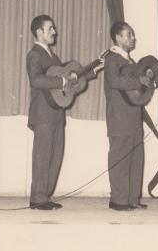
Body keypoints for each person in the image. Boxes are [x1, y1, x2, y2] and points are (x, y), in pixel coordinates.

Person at [26, 14, 102, 210]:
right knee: (43, 156)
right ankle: (37, 198)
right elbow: (36, 80)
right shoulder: (34, 54)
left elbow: (69, 83)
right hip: (43, 114)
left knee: (55, 156)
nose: (54, 32)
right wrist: (61, 81)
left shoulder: (54, 57)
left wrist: (91, 72)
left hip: (56, 113)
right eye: (50, 28)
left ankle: (45, 196)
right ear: (39, 32)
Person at [103, 22, 154, 211]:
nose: (133, 38)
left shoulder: (130, 61)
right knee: (120, 159)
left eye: (132, 35)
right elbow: (114, 81)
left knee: (136, 159)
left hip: (133, 119)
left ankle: (132, 199)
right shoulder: (112, 59)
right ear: (117, 38)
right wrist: (140, 80)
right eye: (129, 35)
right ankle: (118, 200)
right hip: (119, 118)